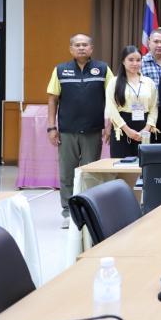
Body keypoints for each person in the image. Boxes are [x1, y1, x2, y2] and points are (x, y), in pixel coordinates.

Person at [46, 33, 112, 229]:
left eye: (85, 45)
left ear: (91, 48)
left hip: (93, 130)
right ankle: (68, 212)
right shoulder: (60, 70)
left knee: (90, 173)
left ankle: (89, 210)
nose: (81, 48)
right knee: (67, 173)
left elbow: (112, 98)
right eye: (77, 45)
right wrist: (51, 127)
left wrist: (109, 125)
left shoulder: (102, 68)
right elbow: (52, 99)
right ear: (71, 49)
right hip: (67, 131)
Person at [105, 46, 158, 158]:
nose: (135, 63)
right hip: (122, 128)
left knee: (144, 165)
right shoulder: (114, 82)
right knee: (121, 165)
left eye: (138, 60)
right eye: (131, 60)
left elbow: (154, 108)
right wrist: (127, 130)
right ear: (123, 61)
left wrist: (146, 129)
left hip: (144, 130)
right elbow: (111, 109)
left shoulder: (149, 82)